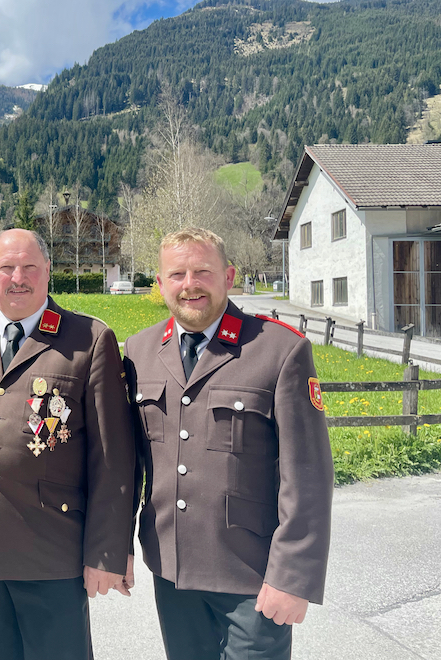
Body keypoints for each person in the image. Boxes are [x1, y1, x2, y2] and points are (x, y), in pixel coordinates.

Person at [123, 227, 334, 660]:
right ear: (159, 284)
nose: (190, 285)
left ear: (229, 276)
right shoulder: (140, 352)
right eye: (177, 274)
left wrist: (292, 576)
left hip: (253, 575)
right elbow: (128, 464)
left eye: (203, 271)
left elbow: (308, 474)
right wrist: (115, 546)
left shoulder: (279, 349)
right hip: (172, 569)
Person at [0, 228, 136, 660]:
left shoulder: (88, 339)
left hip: (53, 557)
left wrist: (107, 551)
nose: (18, 278)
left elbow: (113, 458)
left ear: (48, 271)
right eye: (6, 267)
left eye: (29, 267)